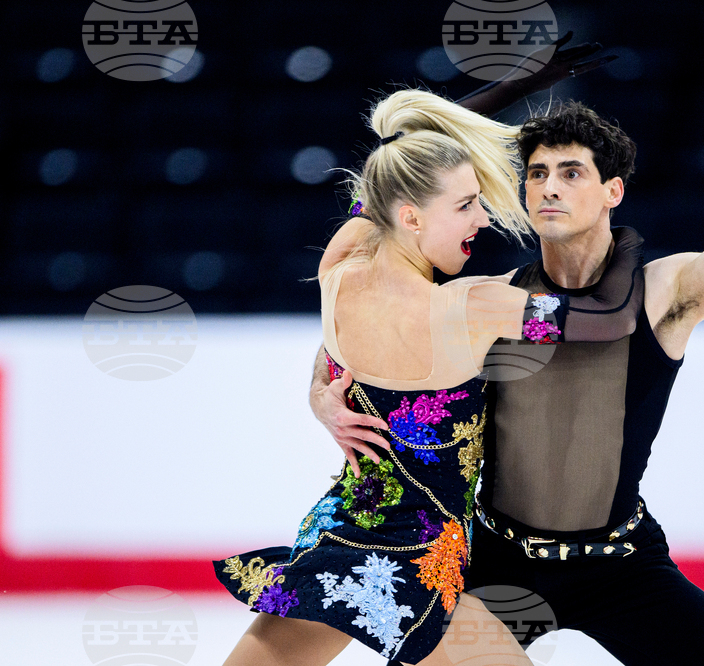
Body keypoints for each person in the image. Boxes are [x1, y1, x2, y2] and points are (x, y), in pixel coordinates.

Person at [312, 33, 704, 665]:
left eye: (571, 173)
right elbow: (365, 295)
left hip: (622, 568)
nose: (549, 188)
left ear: (613, 191)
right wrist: (322, 393)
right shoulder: (486, 302)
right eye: (536, 174)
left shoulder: (667, 292)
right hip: (497, 562)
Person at [213, 84, 647, 666]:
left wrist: (320, 390)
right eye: (465, 205)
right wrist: (624, 240)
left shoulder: (340, 266)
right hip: (419, 566)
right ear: (411, 217)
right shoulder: (473, 308)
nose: (483, 219)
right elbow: (611, 318)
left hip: (340, 534)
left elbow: (394, 170)